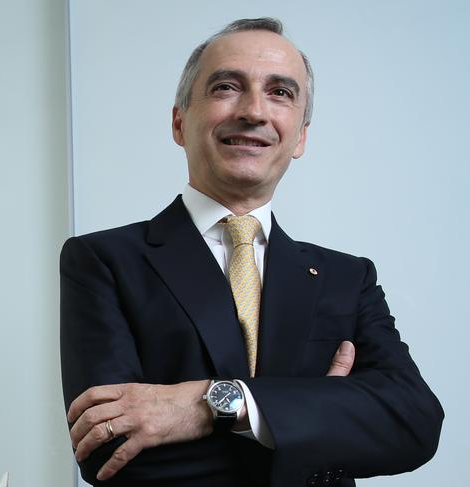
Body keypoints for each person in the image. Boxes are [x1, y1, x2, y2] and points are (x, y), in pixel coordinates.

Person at [60, 17, 443, 487]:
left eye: (281, 93)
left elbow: (415, 424)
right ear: (180, 121)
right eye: (226, 87)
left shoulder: (348, 277)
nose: (254, 112)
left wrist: (214, 403)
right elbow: (111, 450)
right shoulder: (102, 261)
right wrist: (316, 413)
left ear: (299, 136)